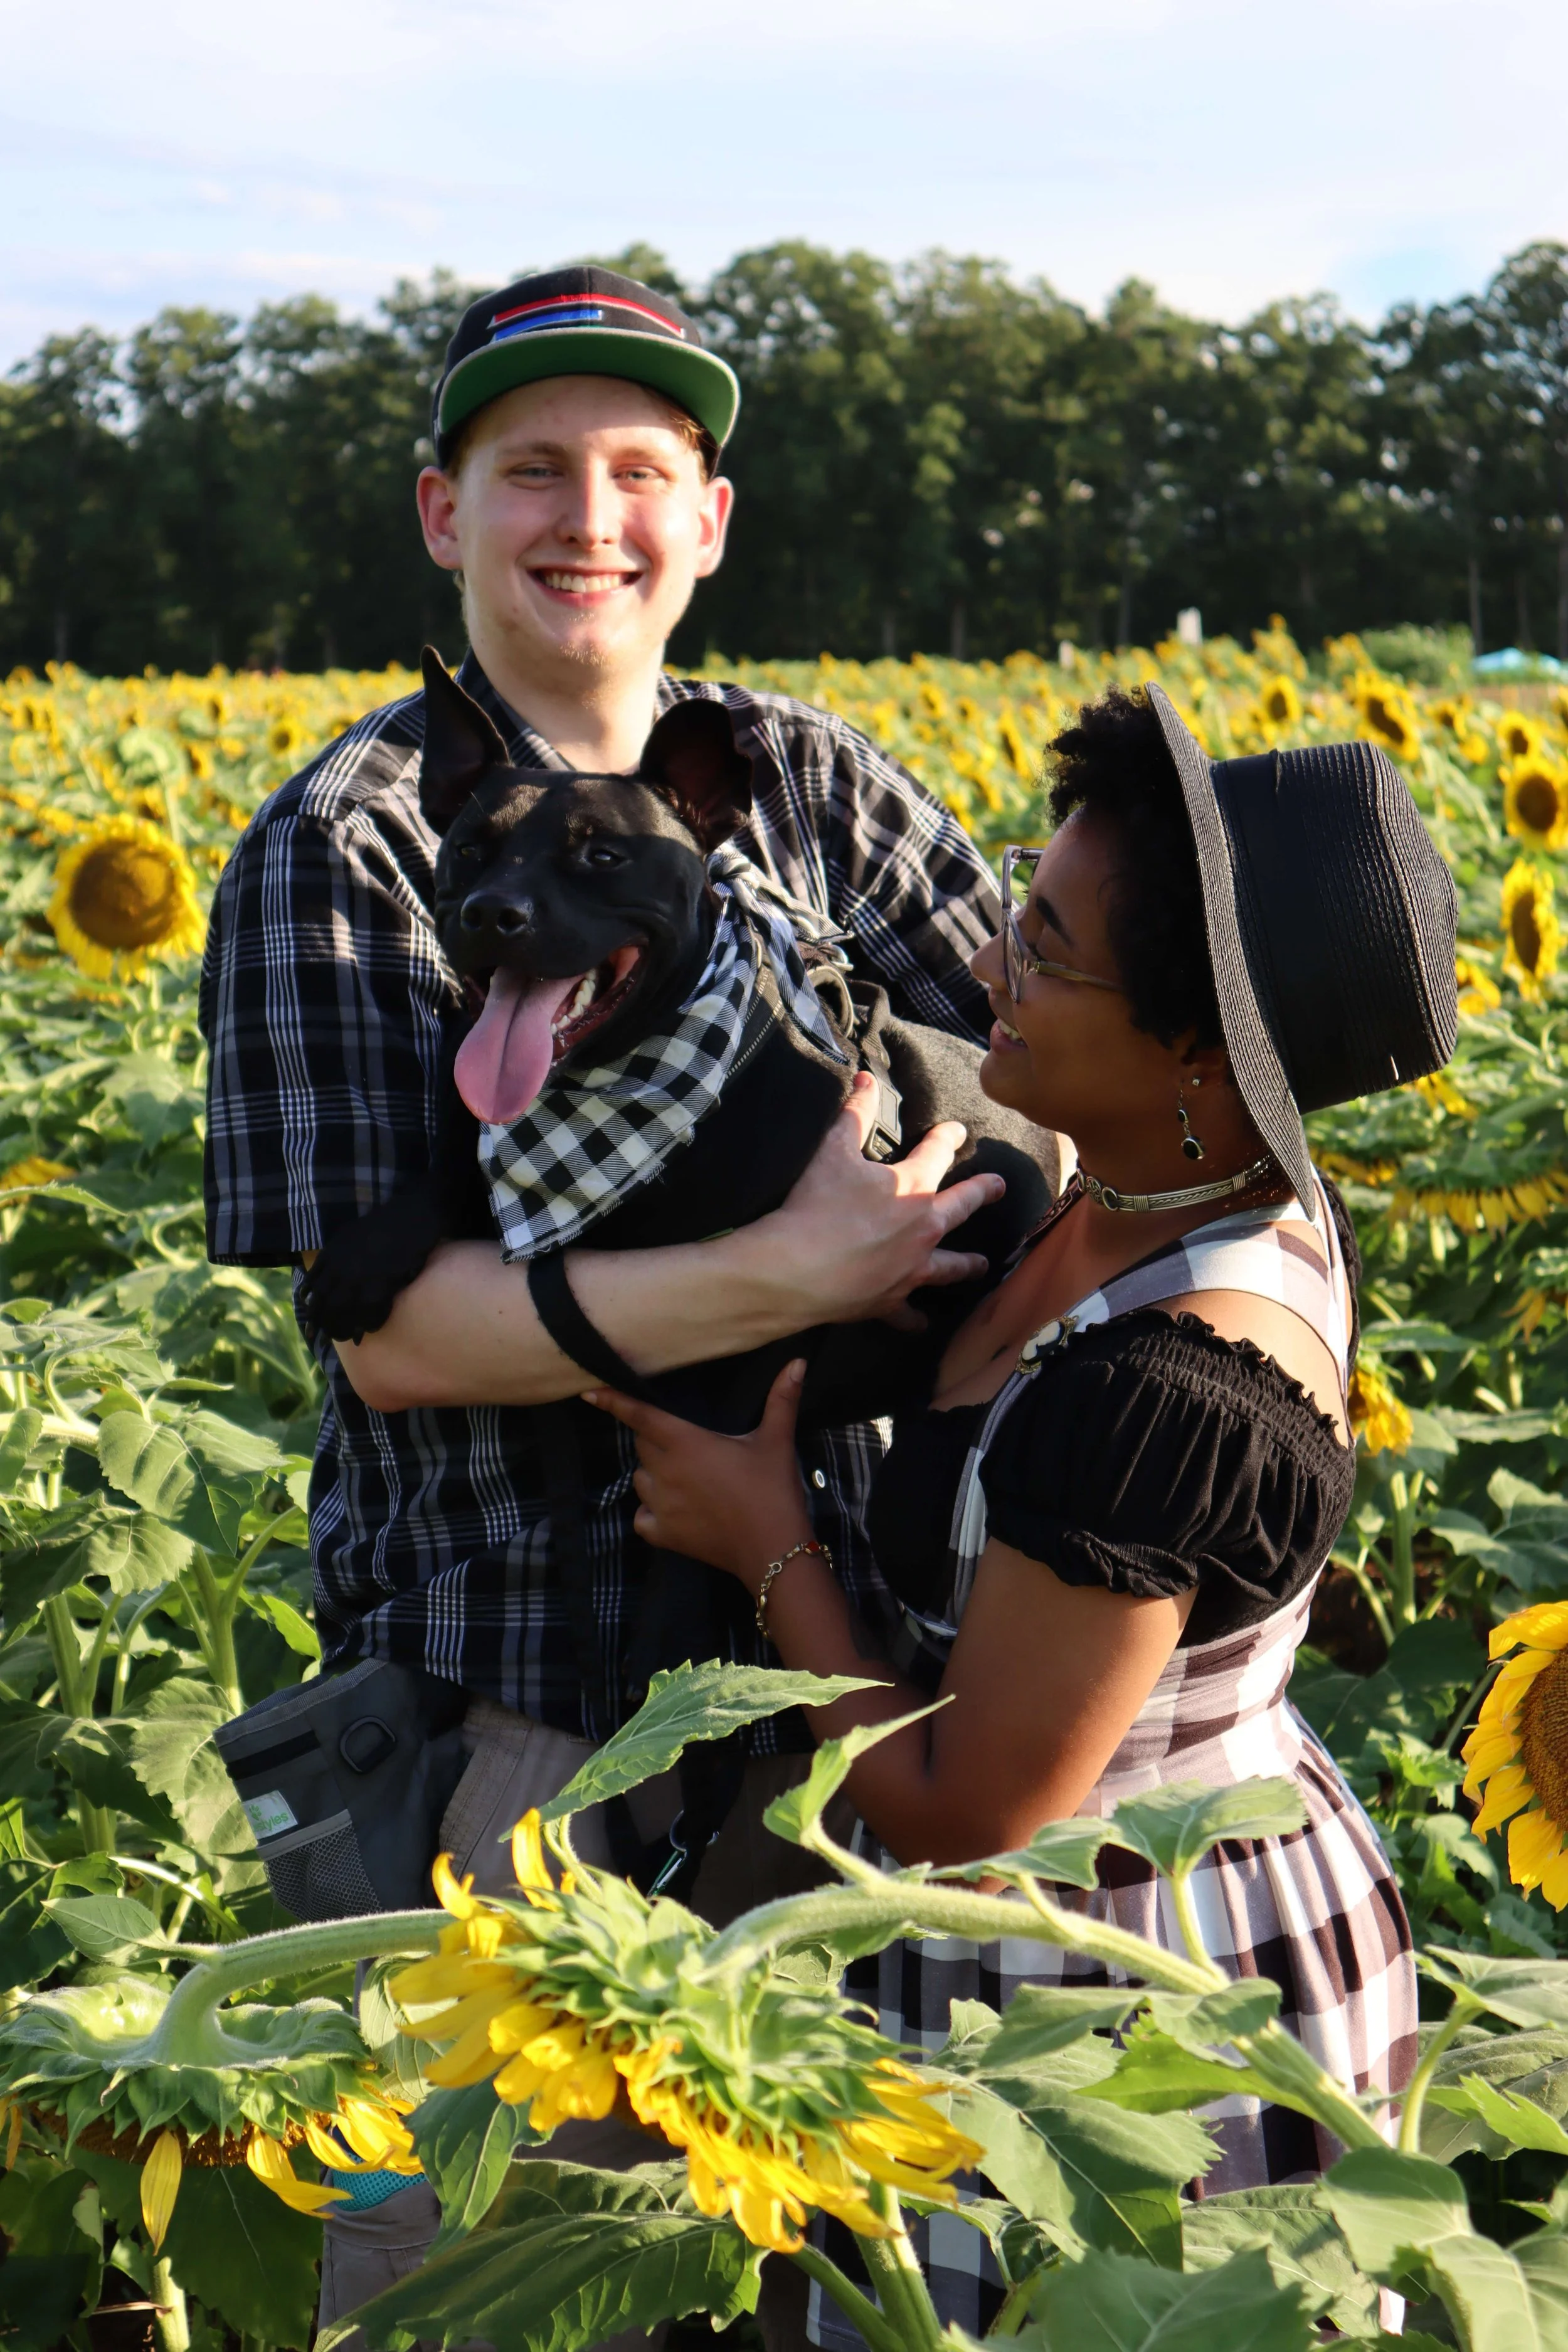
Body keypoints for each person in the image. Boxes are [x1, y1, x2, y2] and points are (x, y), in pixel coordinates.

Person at [198, 263, 1006, 2351]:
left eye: (639, 469)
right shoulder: (344, 845)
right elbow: (396, 1330)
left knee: (843, 2277)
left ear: (707, 520)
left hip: (859, 1686)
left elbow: (1053, 1061)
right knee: (486, 2282)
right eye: (530, 467)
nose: (589, 515)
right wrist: (798, 1267)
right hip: (524, 1719)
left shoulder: (818, 792)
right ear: (438, 511)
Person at [590, 683, 1458, 2342]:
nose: (989, 964)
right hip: (1019, 1979)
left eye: (1046, 949)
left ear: (1200, 1051)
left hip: (1119, 2016)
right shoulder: (1130, 1181)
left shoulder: (1177, 1387)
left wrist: (761, 1528)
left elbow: (956, 1817)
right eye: (1016, 901)